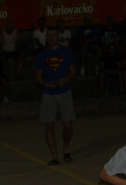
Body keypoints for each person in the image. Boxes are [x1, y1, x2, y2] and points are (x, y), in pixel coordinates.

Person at [36, 27, 77, 165]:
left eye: (53, 35)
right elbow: (38, 76)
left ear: (57, 36)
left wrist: (65, 80)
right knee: (49, 126)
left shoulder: (66, 52)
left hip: (64, 92)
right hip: (49, 94)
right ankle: (55, 156)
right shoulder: (42, 55)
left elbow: (73, 71)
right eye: (48, 36)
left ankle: (66, 147)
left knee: (68, 125)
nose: (51, 38)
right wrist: (46, 84)